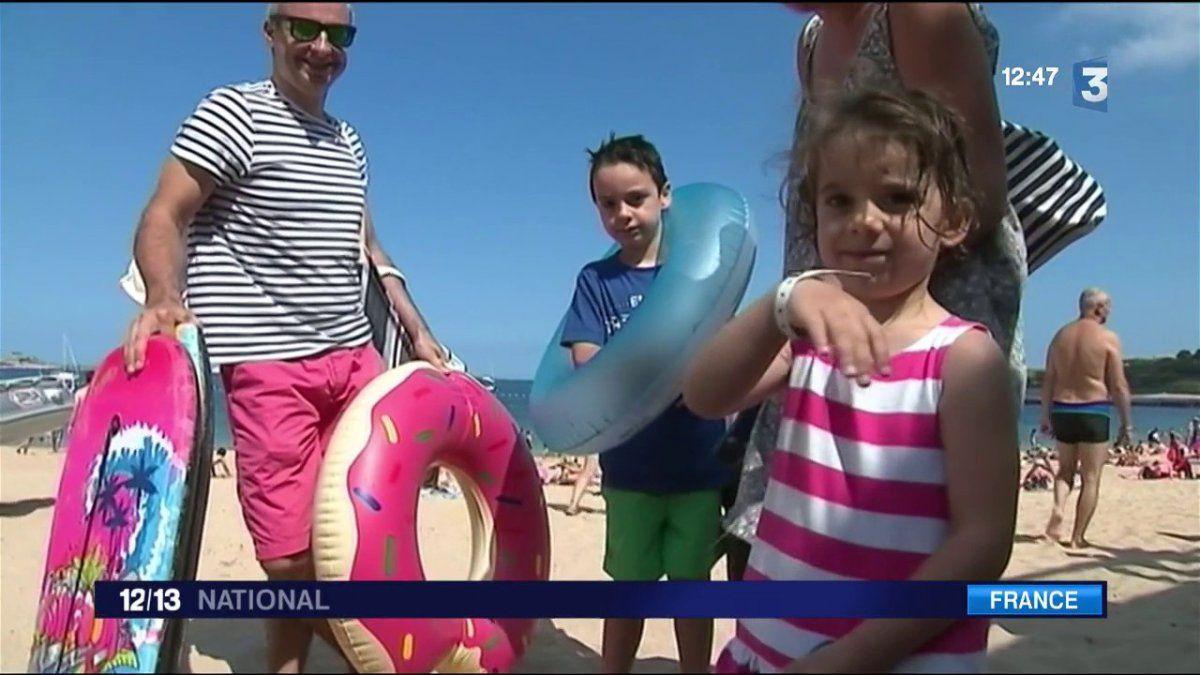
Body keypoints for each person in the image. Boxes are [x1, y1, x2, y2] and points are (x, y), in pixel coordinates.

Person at [119, 4, 447, 672]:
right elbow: (164, 212)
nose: (322, 46)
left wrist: (416, 329)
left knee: (356, 536)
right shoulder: (231, 113)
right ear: (270, 33)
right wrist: (161, 296)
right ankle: (386, 658)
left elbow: (367, 247)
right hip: (267, 366)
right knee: (289, 555)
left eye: (339, 34)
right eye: (305, 28)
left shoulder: (348, 142)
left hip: (354, 359)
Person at [684, 86, 1019, 673]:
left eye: (897, 197)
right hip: (767, 650)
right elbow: (705, 394)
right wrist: (781, 303)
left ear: (955, 220)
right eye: (839, 200)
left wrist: (851, 658)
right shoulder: (808, 333)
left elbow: (982, 544)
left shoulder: (963, 360)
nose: (865, 221)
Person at [724, 2, 1028, 558]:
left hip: (919, 313)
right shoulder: (812, 40)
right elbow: (706, 392)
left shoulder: (917, 11)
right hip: (832, 313)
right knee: (800, 523)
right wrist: (799, 300)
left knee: (907, 531)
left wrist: (862, 301)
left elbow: (977, 191)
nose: (862, 217)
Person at [559, 133, 728, 673]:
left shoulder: (698, 272)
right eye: (609, 204)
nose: (623, 214)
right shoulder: (597, 281)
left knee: (692, 587)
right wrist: (649, 377)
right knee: (628, 588)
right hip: (630, 469)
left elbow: (724, 353)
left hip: (699, 466)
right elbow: (587, 359)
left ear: (665, 196)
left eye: (635, 198)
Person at [1040, 287, 1133, 548]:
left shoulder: (1060, 336)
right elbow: (1118, 385)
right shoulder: (1108, 338)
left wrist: (1045, 415)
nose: (1110, 312)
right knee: (1091, 478)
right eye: (1108, 307)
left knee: (1065, 471)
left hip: (1061, 409)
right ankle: (1077, 537)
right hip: (1093, 410)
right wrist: (1126, 422)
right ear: (1098, 308)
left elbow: (1049, 379)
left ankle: (1059, 508)